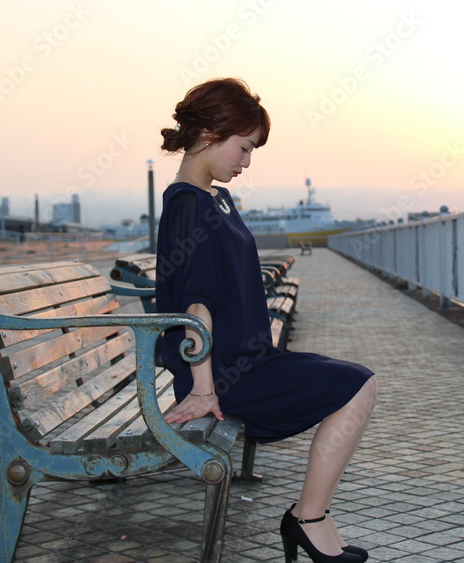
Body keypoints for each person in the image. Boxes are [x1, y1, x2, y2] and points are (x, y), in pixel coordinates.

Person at [156, 78, 377, 563]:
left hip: (248, 359)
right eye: (245, 147)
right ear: (210, 133)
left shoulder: (214, 198)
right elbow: (195, 303)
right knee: (356, 385)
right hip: (224, 374)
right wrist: (204, 391)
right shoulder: (188, 203)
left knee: (357, 383)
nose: (247, 161)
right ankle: (307, 519)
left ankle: (313, 517)